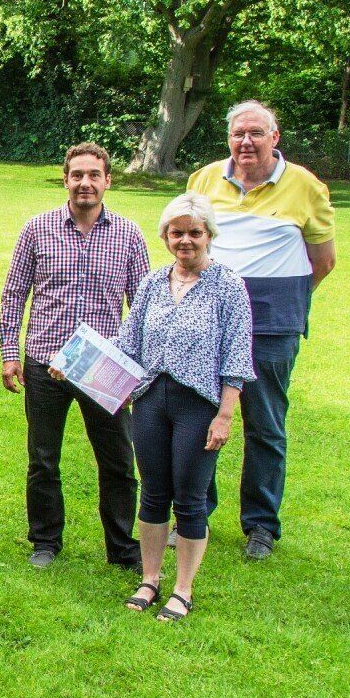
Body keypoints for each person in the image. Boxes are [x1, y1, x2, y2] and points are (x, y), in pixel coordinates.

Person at [186, 100, 335, 559]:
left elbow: (323, 261)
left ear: (275, 137)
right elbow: (189, 240)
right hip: (209, 322)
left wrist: (275, 298)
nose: (246, 142)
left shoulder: (305, 186)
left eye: (256, 133)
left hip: (272, 326)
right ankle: (194, 515)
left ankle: (261, 525)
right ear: (228, 138)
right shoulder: (204, 179)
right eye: (238, 134)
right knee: (198, 419)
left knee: (265, 425)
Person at [0, 142, 150, 569]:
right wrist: (10, 353)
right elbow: (14, 294)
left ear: (107, 181)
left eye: (93, 175)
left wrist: (138, 369)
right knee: (43, 460)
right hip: (46, 362)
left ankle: (123, 548)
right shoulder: (37, 228)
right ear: (65, 179)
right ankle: (46, 541)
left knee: (118, 462)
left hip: (104, 366)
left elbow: (143, 306)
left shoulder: (128, 234)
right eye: (77, 175)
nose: (85, 182)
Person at [103, 193, 254, 623]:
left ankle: (183, 589)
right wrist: (77, 362)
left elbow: (237, 356)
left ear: (209, 235)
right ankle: (150, 579)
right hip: (151, 400)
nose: (185, 240)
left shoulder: (228, 286)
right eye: (176, 233)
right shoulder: (153, 282)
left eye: (194, 232)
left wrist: (225, 415)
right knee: (153, 493)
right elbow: (127, 342)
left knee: (189, 499)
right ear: (165, 237)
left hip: (199, 406)